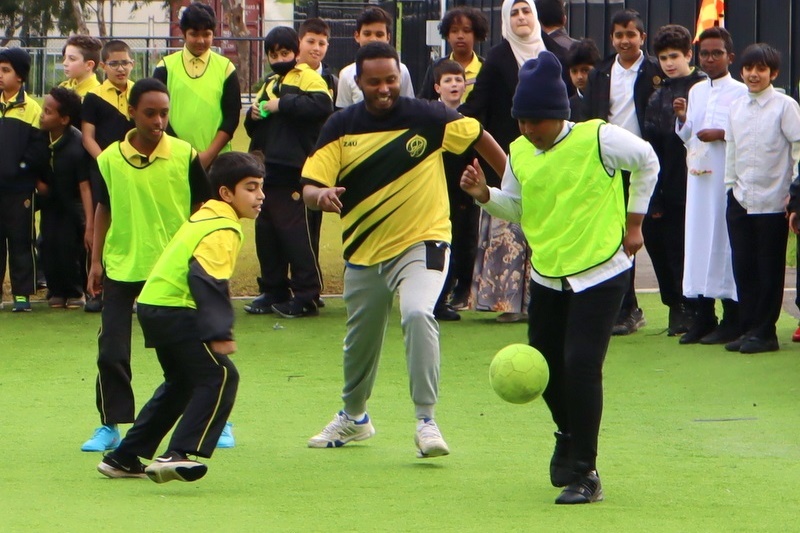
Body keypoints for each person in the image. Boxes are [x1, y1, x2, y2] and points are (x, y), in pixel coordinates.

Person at [460, 51, 658, 504]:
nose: (528, 129)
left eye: (536, 121)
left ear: (558, 114)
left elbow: (648, 162)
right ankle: (567, 434)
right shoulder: (519, 151)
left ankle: (586, 472)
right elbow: (516, 207)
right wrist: (484, 194)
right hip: (548, 274)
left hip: (601, 271)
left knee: (581, 366)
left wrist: (634, 221)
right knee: (547, 367)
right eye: (521, 121)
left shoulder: (599, 138)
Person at [302, 42, 506, 458]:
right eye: (374, 82)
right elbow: (308, 186)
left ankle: (426, 421)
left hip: (424, 240)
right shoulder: (340, 126)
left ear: (401, 78)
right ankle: (355, 418)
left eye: (390, 80)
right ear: (358, 83)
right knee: (360, 338)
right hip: (363, 248)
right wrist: (320, 196)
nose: (383, 89)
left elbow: (479, 135)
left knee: (417, 312)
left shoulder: (428, 116)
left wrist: (511, 184)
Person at [97, 152, 264, 483]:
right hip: (174, 309)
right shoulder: (223, 226)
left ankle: (124, 457)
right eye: (250, 187)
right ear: (226, 193)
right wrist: (220, 330)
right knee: (220, 376)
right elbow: (205, 278)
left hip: (153, 306)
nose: (260, 196)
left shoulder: (207, 215)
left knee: (183, 382)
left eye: (261, 187)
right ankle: (178, 454)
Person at [80, 78, 212, 453]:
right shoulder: (108, 160)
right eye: (150, 113)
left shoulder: (186, 155)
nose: (158, 121)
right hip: (122, 265)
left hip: (173, 270)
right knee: (112, 349)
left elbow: (204, 208)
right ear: (131, 112)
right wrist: (95, 261)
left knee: (190, 350)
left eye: (164, 113)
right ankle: (110, 424)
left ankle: (216, 417)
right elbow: (104, 207)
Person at [460, 0, 569, 323]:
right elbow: (478, 104)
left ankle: (552, 299)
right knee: (509, 223)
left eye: (526, 11)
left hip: (556, 156)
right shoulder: (496, 58)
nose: (521, 17)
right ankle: (505, 303)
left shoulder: (557, 53)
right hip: (510, 158)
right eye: (514, 12)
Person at [582, 8, 663, 336]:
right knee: (614, 239)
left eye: (631, 34)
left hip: (645, 166)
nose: (625, 40)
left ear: (642, 38)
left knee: (645, 237)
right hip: (609, 167)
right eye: (619, 35)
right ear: (612, 39)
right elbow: (589, 118)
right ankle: (624, 307)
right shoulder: (600, 74)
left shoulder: (657, 72)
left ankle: (680, 306)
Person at [243, 26, 333, 318]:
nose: (279, 58)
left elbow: (322, 105)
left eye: (285, 52)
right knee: (266, 233)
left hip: (297, 169)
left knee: (296, 234)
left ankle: (307, 295)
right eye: (273, 54)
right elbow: (254, 124)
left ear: (295, 52)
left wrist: (282, 104)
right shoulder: (268, 82)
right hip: (267, 170)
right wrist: (252, 115)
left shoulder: (308, 77)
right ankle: (273, 290)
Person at [724, 43, 800, 354]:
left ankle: (766, 332)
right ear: (740, 71)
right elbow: (731, 149)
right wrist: (730, 189)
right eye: (749, 68)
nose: (754, 75)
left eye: (761, 69)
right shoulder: (736, 107)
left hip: (774, 200)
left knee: (769, 269)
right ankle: (749, 327)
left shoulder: (785, 106)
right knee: (744, 267)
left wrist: (793, 197)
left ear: (773, 73)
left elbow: (798, 150)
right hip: (740, 198)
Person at [673, 27, 746, 345]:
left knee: (724, 243)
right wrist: (683, 120)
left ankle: (732, 317)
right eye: (704, 53)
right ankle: (703, 316)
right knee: (698, 242)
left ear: (730, 57)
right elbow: (689, 135)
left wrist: (721, 133)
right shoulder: (696, 91)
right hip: (698, 179)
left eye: (717, 53)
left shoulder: (740, 92)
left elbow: (747, 132)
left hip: (724, 180)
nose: (710, 58)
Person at [642, 25, 707, 336]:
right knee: (661, 245)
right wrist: (654, 194)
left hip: (697, 182)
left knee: (691, 249)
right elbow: (651, 145)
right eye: (663, 57)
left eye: (674, 56)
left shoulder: (704, 87)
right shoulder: (658, 96)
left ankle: (698, 307)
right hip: (666, 183)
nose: (669, 63)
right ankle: (675, 305)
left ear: (688, 55)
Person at [82, 39, 137, 313]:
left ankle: (136, 288)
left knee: (131, 225)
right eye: (114, 64)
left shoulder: (139, 94)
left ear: (133, 64)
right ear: (103, 66)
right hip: (104, 169)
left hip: (136, 170)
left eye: (125, 62)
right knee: (101, 225)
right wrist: (106, 161)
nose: (120, 69)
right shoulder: (93, 97)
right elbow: (87, 138)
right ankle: (97, 286)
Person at [153, 2, 241, 169]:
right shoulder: (165, 67)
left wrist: (207, 156)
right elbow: (158, 115)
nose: (200, 40)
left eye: (206, 34)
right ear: (184, 34)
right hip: (172, 158)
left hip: (217, 162)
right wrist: (182, 153)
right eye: (194, 34)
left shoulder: (226, 68)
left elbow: (231, 118)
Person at [35, 87, 93, 309]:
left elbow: (85, 187)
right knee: (48, 244)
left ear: (64, 119)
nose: (42, 115)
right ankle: (56, 290)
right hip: (51, 202)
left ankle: (75, 290)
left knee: (69, 246)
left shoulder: (76, 145)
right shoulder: (41, 138)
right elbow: (31, 165)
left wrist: (89, 221)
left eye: (48, 112)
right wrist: (38, 184)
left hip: (72, 203)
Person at [431, 60, 478, 320]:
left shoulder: (470, 118)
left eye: (458, 80)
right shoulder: (431, 118)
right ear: (437, 87)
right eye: (448, 81)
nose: (454, 85)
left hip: (463, 193)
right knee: (440, 244)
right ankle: (436, 300)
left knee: (463, 243)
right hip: (436, 191)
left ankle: (453, 295)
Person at [0, 47, 42, 312]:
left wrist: (19, 168)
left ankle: (23, 295)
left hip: (19, 190)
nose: (0, 76)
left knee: (20, 241)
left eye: (5, 71)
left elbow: (37, 149)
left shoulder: (32, 109)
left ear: (21, 76)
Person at [335, 6, 415, 109]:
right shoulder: (346, 75)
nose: (373, 39)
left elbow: (408, 108)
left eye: (379, 34)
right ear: (357, 36)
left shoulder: (402, 70)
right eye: (367, 34)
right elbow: (343, 114)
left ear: (388, 38)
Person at [417, 6, 489, 103]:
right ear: (447, 35)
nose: (460, 36)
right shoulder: (437, 67)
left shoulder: (485, 68)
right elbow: (425, 102)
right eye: (454, 31)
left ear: (476, 35)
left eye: (466, 31)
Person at [297, 17, 338, 101]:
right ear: (299, 41)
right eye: (311, 42)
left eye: (321, 44)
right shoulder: (284, 76)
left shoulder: (333, 83)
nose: (316, 48)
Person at [565, 38, 600, 123]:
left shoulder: (608, 99)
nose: (579, 76)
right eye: (574, 71)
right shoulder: (567, 106)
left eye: (585, 70)